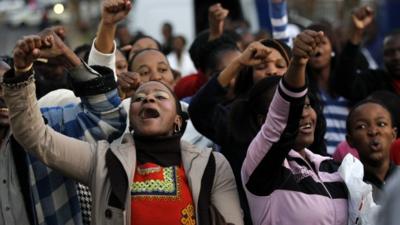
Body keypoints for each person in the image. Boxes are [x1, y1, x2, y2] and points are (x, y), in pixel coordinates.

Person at [3, 31, 244, 225]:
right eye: (139, 98)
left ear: (178, 119)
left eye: (160, 96)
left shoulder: (212, 164)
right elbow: (35, 138)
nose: (148, 100)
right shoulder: (103, 161)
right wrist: (22, 73)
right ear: (130, 115)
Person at [241, 30, 348, 225]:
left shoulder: (332, 166)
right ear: (263, 120)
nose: (304, 113)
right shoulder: (259, 166)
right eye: (296, 108)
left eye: (307, 105)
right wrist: (298, 62)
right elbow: (282, 120)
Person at [189, 38, 292, 225]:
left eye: (280, 65)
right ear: (249, 74)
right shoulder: (236, 119)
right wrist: (239, 63)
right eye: (261, 66)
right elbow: (200, 110)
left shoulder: (307, 114)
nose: (272, 71)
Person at [333, 5, 400, 102]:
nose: (397, 57)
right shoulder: (375, 82)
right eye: (389, 53)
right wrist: (356, 33)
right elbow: (344, 85)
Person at [345, 98, 398, 203]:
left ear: (393, 134)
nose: (373, 131)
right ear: (350, 140)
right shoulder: (347, 185)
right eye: (362, 126)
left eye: (381, 124)